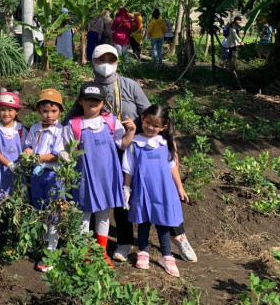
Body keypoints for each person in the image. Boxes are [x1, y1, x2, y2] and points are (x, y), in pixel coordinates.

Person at [62, 44, 197, 263]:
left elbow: (153, 114)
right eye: (101, 59)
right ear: (93, 62)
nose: (106, 64)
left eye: (111, 59)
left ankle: (179, 237)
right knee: (120, 198)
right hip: (106, 152)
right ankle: (125, 242)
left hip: (137, 147)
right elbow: (72, 117)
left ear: (117, 61)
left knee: (161, 192)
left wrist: (168, 140)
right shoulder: (91, 90)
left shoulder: (129, 85)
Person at [65, 82, 136, 267]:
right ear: (80, 101)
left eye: (96, 101)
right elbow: (67, 152)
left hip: (107, 177)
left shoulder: (110, 121)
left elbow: (122, 144)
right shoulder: (74, 125)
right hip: (85, 179)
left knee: (104, 214)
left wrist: (132, 132)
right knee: (84, 215)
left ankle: (101, 251)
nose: (92, 104)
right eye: (88, 100)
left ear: (103, 102)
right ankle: (84, 252)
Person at [123, 105, 188, 277]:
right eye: (148, 123)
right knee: (143, 222)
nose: (150, 128)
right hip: (142, 190)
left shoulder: (165, 143)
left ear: (163, 127)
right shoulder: (135, 143)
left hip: (163, 191)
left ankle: (166, 256)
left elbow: (172, 166)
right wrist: (126, 188)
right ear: (142, 118)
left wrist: (179, 187)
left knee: (163, 223)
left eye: (155, 125)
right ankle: (143, 253)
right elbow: (129, 168)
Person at [23, 88, 66, 273]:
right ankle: (40, 242)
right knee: (39, 207)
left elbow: (56, 156)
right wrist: (28, 153)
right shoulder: (35, 128)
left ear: (60, 112)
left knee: (53, 211)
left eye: (53, 111)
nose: (49, 115)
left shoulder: (61, 130)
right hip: (36, 173)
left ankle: (51, 250)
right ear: (39, 111)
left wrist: (36, 156)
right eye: (45, 111)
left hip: (52, 175)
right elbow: (28, 146)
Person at [0, 90, 26, 205]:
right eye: (3, 110)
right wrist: (9, 164)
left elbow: (25, 148)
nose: (6, 113)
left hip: (16, 168)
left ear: (16, 112)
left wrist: (21, 163)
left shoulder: (20, 130)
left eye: (10, 110)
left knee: (16, 194)